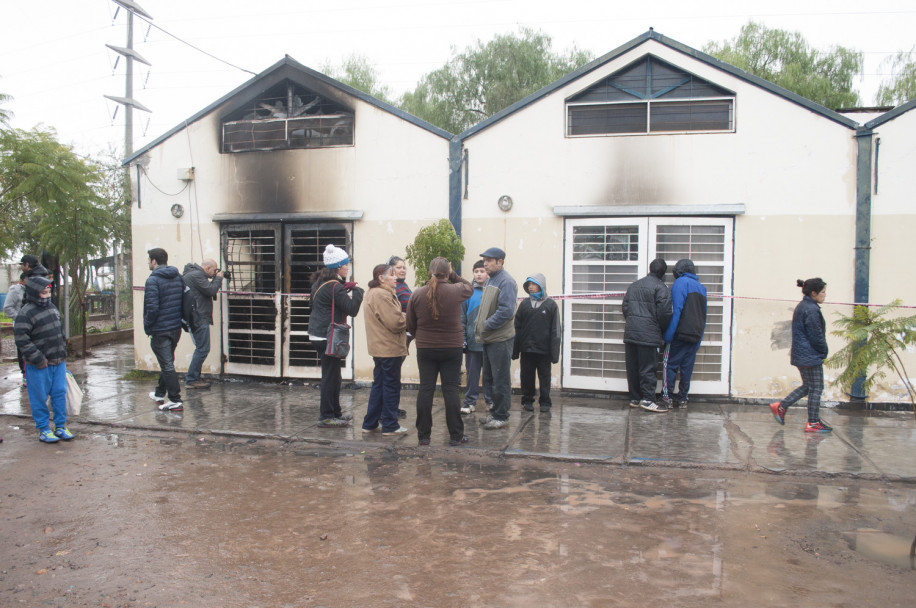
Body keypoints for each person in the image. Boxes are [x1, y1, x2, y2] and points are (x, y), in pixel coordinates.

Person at [406, 257, 473, 446]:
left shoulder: (417, 294)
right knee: (450, 389)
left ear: (430, 272)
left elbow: (410, 324)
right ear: (448, 272)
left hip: (426, 347)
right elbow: (469, 286)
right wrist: (453, 274)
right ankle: (456, 436)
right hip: (452, 347)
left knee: (426, 389)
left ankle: (424, 436)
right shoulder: (456, 290)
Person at [308, 244, 364, 427]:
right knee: (330, 377)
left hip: (317, 334)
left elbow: (314, 305)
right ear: (338, 267)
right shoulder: (335, 287)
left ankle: (335, 413)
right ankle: (326, 416)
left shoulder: (319, 284)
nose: (348, 267)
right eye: (346, 264)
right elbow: (352, 310)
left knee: (334, 375)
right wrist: (357, 293)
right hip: (328, 337)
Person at [769, 278, 833, 433]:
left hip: (802, 354)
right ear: (813, 293)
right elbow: (816, 335)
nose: (825, 295)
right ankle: (812, 422)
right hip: (810, 355)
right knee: (816, 388)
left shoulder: (804, 306)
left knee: (808, 386)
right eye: (823, 292)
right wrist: (823, 351)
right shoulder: (811, 309)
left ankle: (782, 406)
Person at [14, 276, 72, 443]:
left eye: (48, 292)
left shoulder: (52, 308)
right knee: (39, 396)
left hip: (58, 361)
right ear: (34, 293)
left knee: (59, 394)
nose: (47, 296)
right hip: (38, 365)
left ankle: (60, 426)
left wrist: (63, 352)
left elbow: (60, 331)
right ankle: (44, 428)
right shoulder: (25, 313)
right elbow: (21, 339)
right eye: (43, 293)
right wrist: (38, 358)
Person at [361, 263, 408, 436]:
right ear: (381, 278)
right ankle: (390, 425)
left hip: (380, 347)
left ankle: (370, 423)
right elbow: (395, 323)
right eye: (392, 275)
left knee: (379, 385)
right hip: (388, 348)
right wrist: (410, 317)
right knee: (391, 386)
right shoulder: (381, 294)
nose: (396, 278)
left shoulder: (375, 293)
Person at [474, 247, 518, 430]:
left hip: (499, 338)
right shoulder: (491, 279)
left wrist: (485, 325)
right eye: (484, 259)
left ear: (500, 262)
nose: (485, 263)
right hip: (489, 338)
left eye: (489, 260)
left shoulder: (506, 281)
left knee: (500, 379)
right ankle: (495, 413)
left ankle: (502, 416)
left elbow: (506, 311)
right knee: (490, 378)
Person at [622, 258, 672, 413]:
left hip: (631, 333)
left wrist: (633, 322)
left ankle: (635, 398)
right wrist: (660, 329)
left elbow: (625, 307)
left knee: (633, 367)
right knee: (648, 368)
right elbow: (665, 313)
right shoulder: (661, 288)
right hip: (649, 335)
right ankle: (648, 400)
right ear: (663, 273)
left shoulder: (634, 285)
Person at [661, 259, 707, 408]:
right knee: (687, 368)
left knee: (670, 365)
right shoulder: (701, 288)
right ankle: (683, 399)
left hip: (679, 334)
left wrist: (668, 335)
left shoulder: (681, 283)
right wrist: (699, 339)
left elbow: (676, 310)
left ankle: (667, 398)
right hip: (694, 335)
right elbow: (703, 316)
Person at [512, 273, 561, 413]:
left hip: (544, 350)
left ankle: (545, 401)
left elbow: (556, 330)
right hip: (527, 349)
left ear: (541, 285)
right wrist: (515, 350)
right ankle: (527, 400)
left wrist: (554, 353)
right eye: (529, 285)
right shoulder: (524, 305)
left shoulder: (551, 305)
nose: (531, 287)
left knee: (544, 376)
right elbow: (517, 327)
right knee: (527, 376)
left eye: (534, 284)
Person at [144, 248, 185, 412]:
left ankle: (175, 399)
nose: (148, 262)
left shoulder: (152, 280)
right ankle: (159, 393)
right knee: (167, 362)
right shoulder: (177, 276)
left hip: (160, 330)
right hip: (175, 328)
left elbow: (152, 308)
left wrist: (147, 325)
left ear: (154, 261)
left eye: (149, 260)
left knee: (167, 364)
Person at [182, 259, 224, 389]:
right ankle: (192, 379)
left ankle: (194, 377)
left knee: (201, 348)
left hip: (195, 316)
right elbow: (211, 291)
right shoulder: (197, 275)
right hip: (198, 317)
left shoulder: (193, 274)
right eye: (214, 270)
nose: (215, 273)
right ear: (207, 268)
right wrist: (218, 278)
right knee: (203, 349)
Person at [460, 260, 492, 415]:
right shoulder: (467, 292)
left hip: (489, 342)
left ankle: (490, 401)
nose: (479, 274)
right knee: (472, 374)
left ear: (487, 273)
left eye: (482, 271)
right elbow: (462, 319)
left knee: (489, 374)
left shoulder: (493, 291)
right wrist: (463, 338)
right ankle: (469, 402)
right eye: (476, 271)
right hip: (473, 342)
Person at [388, 255, 411, 419]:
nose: (402, 270)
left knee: (395, 375)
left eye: (404, 267)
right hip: (396, 336)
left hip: (406, 335)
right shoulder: (393, 287)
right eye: (399, 267)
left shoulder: (403, 286)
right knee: (390, 375)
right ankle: (387, 411)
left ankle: (392, 407)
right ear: (391, 269)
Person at [4, 272, 28, 385]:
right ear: (23, 279)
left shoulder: (34, 289)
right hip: (21, 325)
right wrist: (20, 318)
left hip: (33, 325)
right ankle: (24, 375)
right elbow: (8, 308)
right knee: (22, 349)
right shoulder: (15, 290)